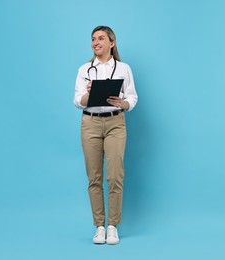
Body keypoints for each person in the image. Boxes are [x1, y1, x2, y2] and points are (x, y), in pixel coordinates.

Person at [73, 26, 138, 245]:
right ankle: (99, 226)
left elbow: (133, 97)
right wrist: (88, 95)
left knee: (115, 175)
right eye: (93, 39)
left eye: (101, 38)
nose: (95, 42)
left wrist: (124, 103)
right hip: (90, 123)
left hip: (115, 123)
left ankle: (113, 226)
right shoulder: (84, 69)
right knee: (94, 177)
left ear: (112, 43)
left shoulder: (123, 68)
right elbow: (76, 100)